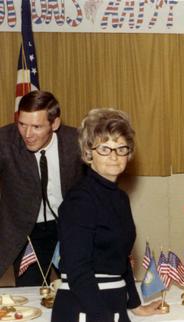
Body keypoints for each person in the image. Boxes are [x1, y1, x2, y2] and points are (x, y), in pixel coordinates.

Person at [52, 108, 163, 322]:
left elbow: (121, 260)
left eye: (121, 148)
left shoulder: (120, 198)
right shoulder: (80, 200)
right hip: (84, 308)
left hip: (111, 304)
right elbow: (77, 269)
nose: (114, 156)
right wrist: (102, 316)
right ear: (88, 152)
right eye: (104, 148)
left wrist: (135, 305)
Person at [0, 90, 84, 286]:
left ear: (54, 124)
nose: (27, 134)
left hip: (68, 228)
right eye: (22, 124)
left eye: (36, 127)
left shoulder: (77, 141)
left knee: (76, 288)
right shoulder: (5, 141)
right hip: (26, 233)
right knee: (30, 294)